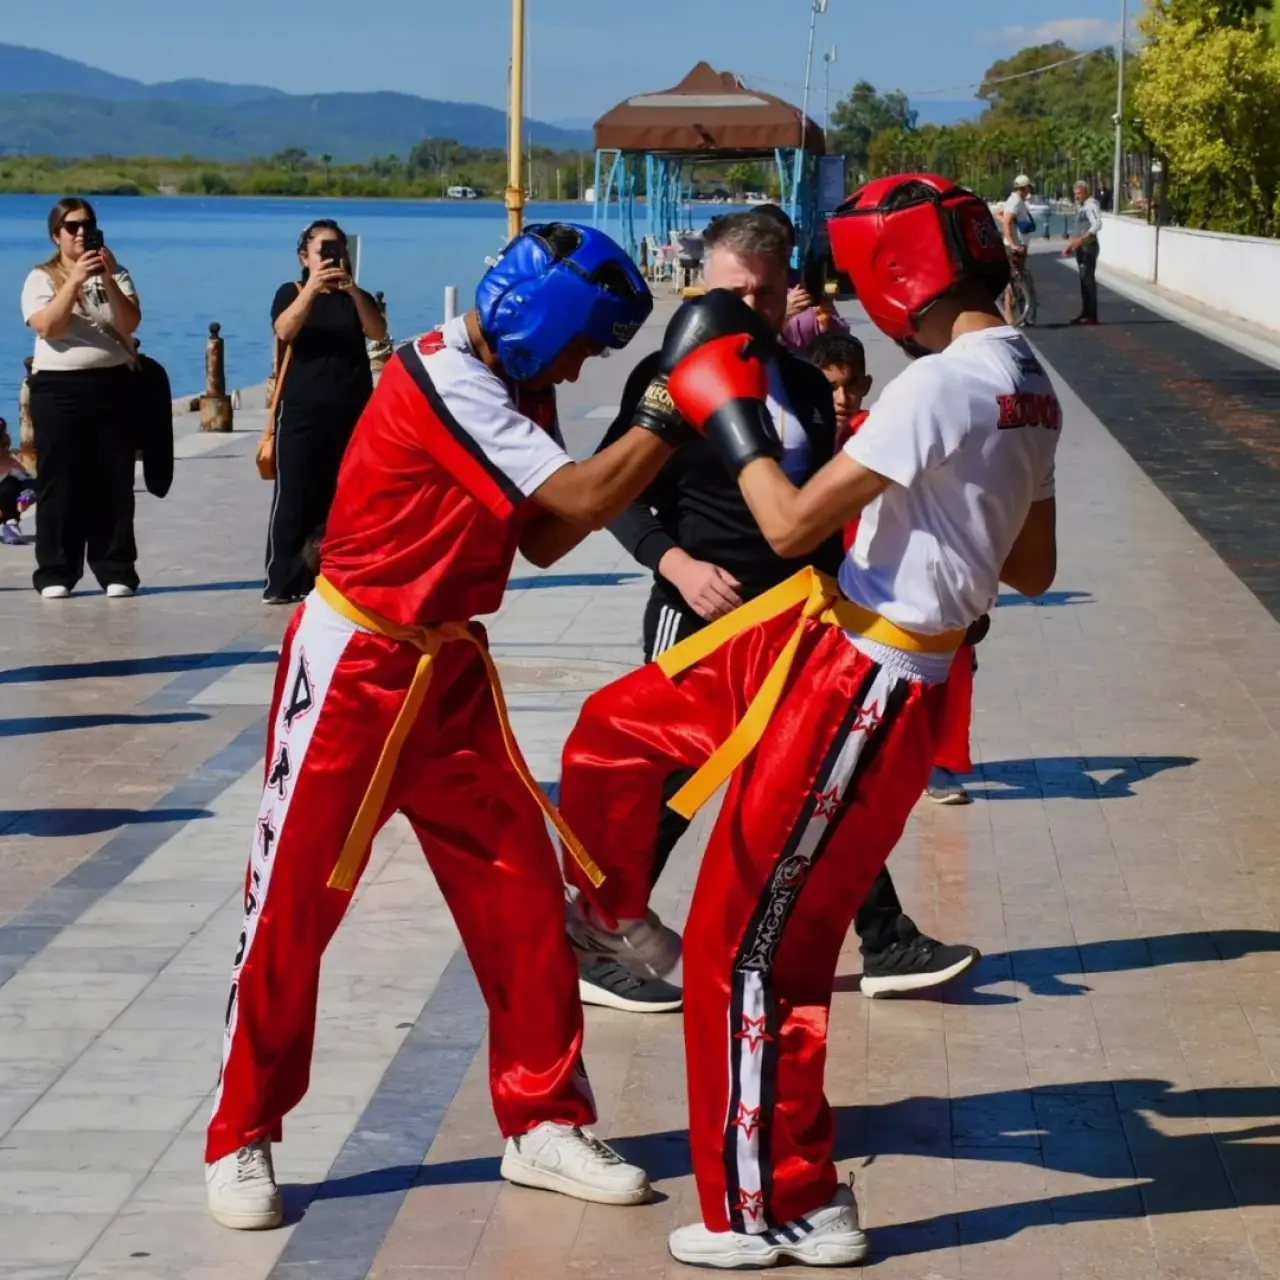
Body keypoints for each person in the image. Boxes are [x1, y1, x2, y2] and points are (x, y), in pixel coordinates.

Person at [558, 174, 1060, 1267]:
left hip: (862, 681)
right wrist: (935, 527)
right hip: (891, 676)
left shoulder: (934, 385)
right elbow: (1031, 565)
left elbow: (784, 524)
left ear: (898, 271)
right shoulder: (1026, 378)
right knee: (644, 756)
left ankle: (764, 1207)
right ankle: (795, 1179)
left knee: (742, 953)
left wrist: (719, 406)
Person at [203, 222, 690, 1232]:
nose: (583, 360)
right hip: (356, 663)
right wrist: (665, 411)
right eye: (583, 341)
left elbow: (549, 535)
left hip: (448, 668)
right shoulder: (448, 382)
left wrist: (642, 436)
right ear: (543, 319)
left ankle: (543, 1118)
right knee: (291, 900)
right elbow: (581, 493)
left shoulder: (521, 384)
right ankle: (240, 1129)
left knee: (517, 890)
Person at [582, 217, 978, 1017]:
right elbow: (611, 497)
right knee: (671, 783)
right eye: (734, 288)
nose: (750, 302)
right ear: (706, 282)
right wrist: (677, 565)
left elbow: (820, 507)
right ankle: (594, 928)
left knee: (825, 772)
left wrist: (847, 595)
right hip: (700, 613)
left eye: (764, 289)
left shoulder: (800, 382)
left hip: (796, 615)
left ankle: (887, 938)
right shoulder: (665, 378)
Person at [20, 197, 142, 599]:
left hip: (112, 384)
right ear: (56, 235)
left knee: (114, 479)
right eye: (71, 227)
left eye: (87, 225)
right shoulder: (41, 277)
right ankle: (56, 570)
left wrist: (104, 278)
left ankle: (115, 567)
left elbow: (129, 321)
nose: (80, 233)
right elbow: (48, 328)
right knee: (61, 480)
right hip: (58, 386)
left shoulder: (117, 272)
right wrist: (73, 282)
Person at [263, 219, 387, 605]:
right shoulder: (292, 291)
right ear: (305, 256)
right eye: (324, 251)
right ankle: (283, 579)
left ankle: (335, 578)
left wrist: (351, 290)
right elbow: (284, 329)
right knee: (294, 498)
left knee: (345, 498)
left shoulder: (356, 296)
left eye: (339, 249)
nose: (334, 257)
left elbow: (378, 332)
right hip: (301, 412)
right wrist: (313, 288)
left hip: (351, 411)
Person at [751, 203, 849, 354]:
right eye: (772, 244)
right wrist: (784, 314)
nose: (781, 250)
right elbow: (744, 343)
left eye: (786, 242)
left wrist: (828, 322)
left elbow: (843, 335)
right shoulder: (746, 289)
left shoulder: (803, 281)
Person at [998, 174, 1036, 326]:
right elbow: (1006, 222)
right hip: (1014, 249)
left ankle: (1014, 318)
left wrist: (1013, 225)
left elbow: (1001, 215)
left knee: (1015, 282)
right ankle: (1009, 318)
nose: (1029, 190)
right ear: (1024, 188)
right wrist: (1013, 243)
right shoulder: (1014, 201)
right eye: (1028, 187)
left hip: (1019, 248)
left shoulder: (1016, 201)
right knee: (1013, 283)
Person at [1064, 181, 1103, 325]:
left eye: (1079, 193)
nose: (1076, 196)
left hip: (1088, 247)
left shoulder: (1090, 206)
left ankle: (1091, 315)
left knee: (1088, 281)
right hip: (1081, 248)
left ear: (1085, 191)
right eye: (1075, 194)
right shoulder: (1082, 207)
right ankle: (1086, 313)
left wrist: (1082, 238)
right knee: (1083, 281)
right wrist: (1071, 245)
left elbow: (1097, 224)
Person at [0, 417, 36, 546]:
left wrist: (27, 496)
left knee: (10, 483)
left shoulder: (12, 465)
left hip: (4, 507)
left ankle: (11, 525)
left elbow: (31, 484)